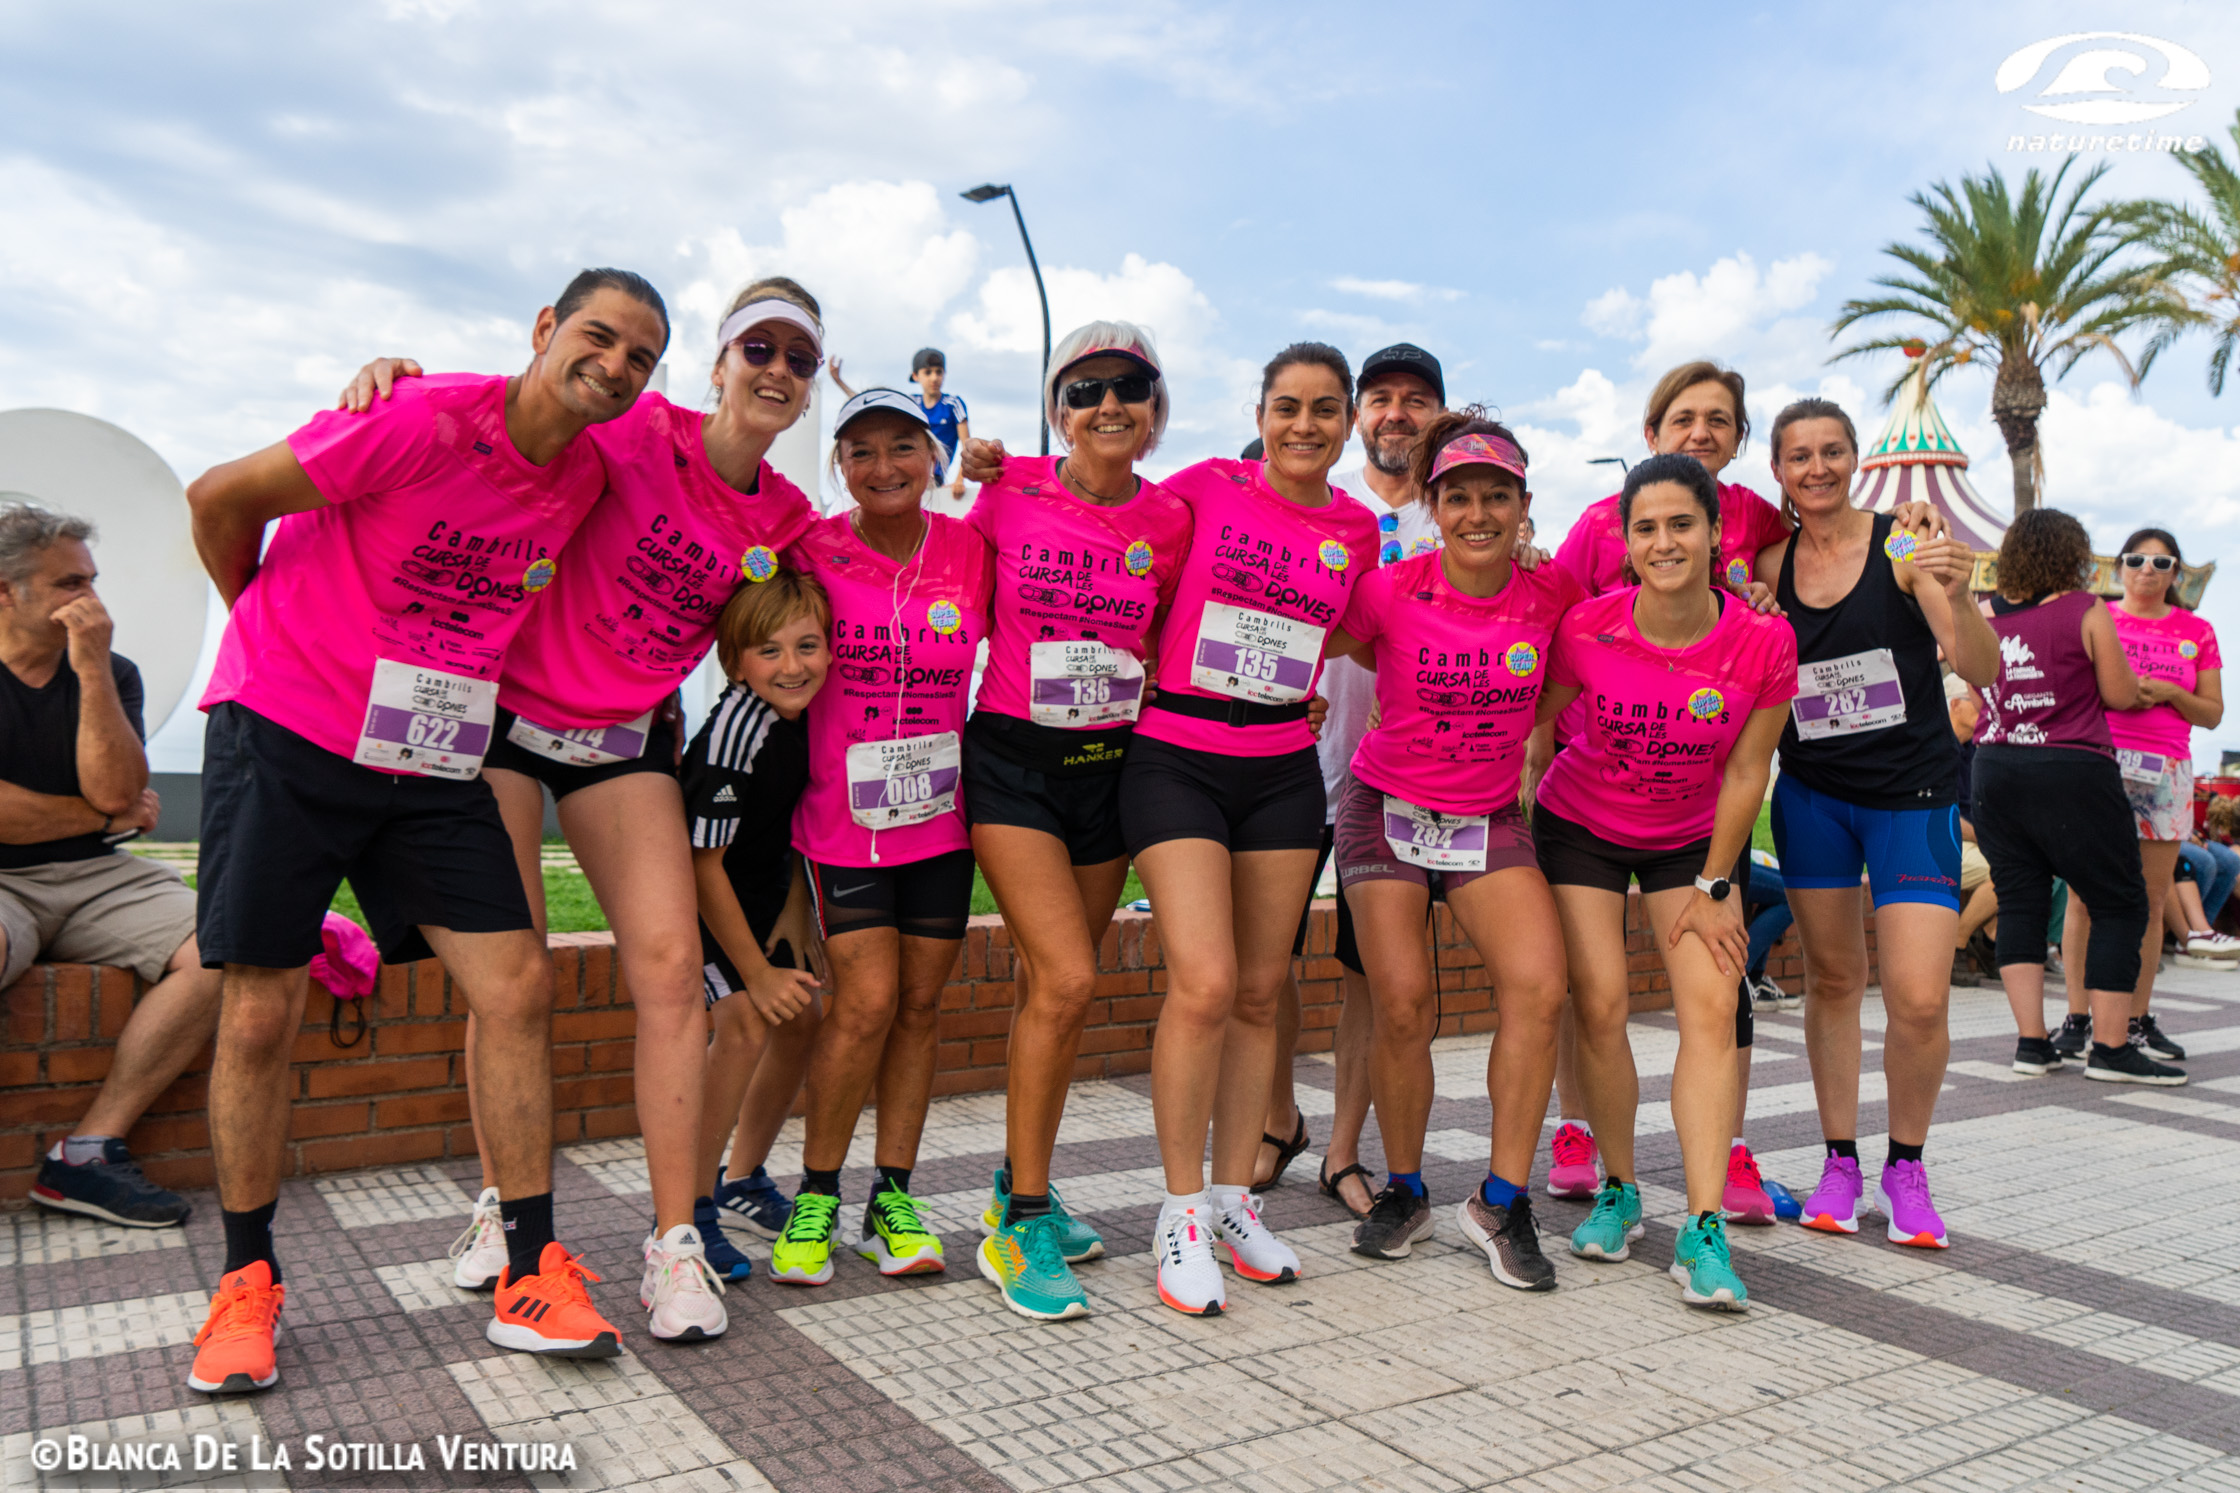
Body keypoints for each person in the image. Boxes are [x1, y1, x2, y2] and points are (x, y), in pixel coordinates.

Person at [182, 269, 669, 1394]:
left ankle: (530, 1266)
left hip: (430, 752)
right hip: (288, 727)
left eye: (641, 356)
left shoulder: (587, 475)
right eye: (598, 335)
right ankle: (246, 1281)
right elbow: (217, 495)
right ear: (545, 329)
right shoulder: (415, 414)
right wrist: (263, 616)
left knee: (516, 985)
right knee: (260, 1006)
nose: (616, 364)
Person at [336, 278, 827, 1343]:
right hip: (503, 719)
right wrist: (393, 383)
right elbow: (518, 419)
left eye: (797, 356)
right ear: (718, 362)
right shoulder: (639, 426)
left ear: (811, 380)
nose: (775, 370)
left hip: (622, 742)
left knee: (667, 976)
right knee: (511, 977)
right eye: (758, 348)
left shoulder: (785, 516)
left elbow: (872, 572)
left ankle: (674, 1242)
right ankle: (498, 1200)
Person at [1117, 343, 1379, 1316]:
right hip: (1174, 756)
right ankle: (1178, 1207)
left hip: (1278, 765)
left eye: (1322, 409)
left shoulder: (1354, 529)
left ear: (1347, 421)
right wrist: (1136, 655)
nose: (1302, 425)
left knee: (1263, 991)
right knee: (1207, 980)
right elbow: (1124, 560)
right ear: (1260, 412)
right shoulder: (1202, 488)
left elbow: (1362, 627)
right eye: (1285, 406)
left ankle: (1233, 1199)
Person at [949, 322, 1192, 1321]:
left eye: (1128, 388)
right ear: (1057, 410)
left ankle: (1018, 1181)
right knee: (1068, 975)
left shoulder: (1170, 518)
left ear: (1153, 409)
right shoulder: (1009, 492)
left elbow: (1180, 636)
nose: (1107, 405)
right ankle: (1022, 1219)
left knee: (1048, 989)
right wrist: (965, 474)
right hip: (1010, 763)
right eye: (1084, 389)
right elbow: (944, 597)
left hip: (1108, 769)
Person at [1533, 452, 1797, 1311]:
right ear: (1625, 540)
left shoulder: (1763, 637)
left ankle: (1705, 1226)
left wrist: (1717, 885)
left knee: (1713, 1008)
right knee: (1601, 1002)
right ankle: (1619, 1187)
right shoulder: (1589, 626)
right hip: (1582, 829)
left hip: (1695, 842)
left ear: (1718, 534)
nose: (1663, 540)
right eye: (1645, 527)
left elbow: (1748, 770)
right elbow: (1537, 725)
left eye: (1681, 522)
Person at [1325, 413, 1579, 1288]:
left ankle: (1502, 1200)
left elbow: (1573, 679)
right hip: (1383, 806)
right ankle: (1403, 1187)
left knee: (1541, 987)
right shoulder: (1392, 588)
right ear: (1433, 506)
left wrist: (1513, 744)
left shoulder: (1555, 597)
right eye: (1459, 496)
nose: (1478, 512)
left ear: (1523, 506)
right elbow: (1318, 636)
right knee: (1400, 999)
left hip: (1485, 817)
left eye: (1496, 496)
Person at [1754, 398, 2000, 1249]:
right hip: (1814, 797)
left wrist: (1959, 595)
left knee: (1921, 998)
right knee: (1831, 979)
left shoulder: (1902, 541)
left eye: (1832, 452)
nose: (1816, 468)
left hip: (1914, 799)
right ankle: (1838, 1161)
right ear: (1777, 471)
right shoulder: (1770, 561)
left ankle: (1906, 1165)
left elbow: (1976, 663)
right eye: (1799, 456)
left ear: (1856, 459)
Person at [767, 388, 993, 1287]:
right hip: (840, 819)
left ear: (935, 455)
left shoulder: (971, 549)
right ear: (839, 466)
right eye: (861, 451)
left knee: (921, 1006)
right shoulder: (811, 548)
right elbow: (754, 641)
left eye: (904, 446)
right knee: (863, 1002)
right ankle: (817, 1192)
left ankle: (890, 1194)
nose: (885, 466)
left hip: (942, 815)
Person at [2, 503, 222, 1230]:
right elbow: (110, 807)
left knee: (223, 945)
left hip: (97, 877)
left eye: (92, 581)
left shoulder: (110, 669)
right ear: (7, 591)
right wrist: (102, 817)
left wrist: (91, 668)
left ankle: (86, 1154)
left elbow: (120, 789)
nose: (91, 601)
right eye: (69, 582)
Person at [1266, 342, 1447, 1221]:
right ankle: (1274, 1117)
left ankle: (1344, 1148)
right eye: (1380, 398)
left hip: (1400, 783)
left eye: (1417, 400)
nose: (1397, 414)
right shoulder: (1315, 512)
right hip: (1287, 760)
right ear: (1353, 417)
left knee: (1372, 972)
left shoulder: (1464, 519)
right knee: (1264, 958)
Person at [1973, 510, 2177, 1083]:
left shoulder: (1984, 612)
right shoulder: (2086, 609)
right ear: (2073, 555)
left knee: (2020, 901)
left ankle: (2032, 1043)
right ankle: (2111, 1049)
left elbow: (1977, 685)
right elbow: (2115, 692)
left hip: (1996, 768)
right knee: (2119, 902)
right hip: (2072, 767)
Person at [682, 570, 831, 1279]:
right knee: (743, 1020)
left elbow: (788, 830)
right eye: (769, 651)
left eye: (807, 645)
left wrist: (796, 915)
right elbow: (702, 865)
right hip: (702, 903)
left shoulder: (806, 717)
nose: (793, 665)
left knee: (803, 1016)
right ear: (734, 661)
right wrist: (756, 970)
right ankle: (688, 1204)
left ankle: (743, 1177)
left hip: (763, 894)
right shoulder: (736, 730)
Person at [2053, 529, 2222, 1067]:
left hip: (2166, 771)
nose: (2147, 569)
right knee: (2083, 896)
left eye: (2161, 561)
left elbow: (2212, 712)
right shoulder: (2097, 617)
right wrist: (2124, 688)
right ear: (2119, 567)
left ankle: (2135, 1019)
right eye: (2136, 559)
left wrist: (2172, 693)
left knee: (2150, 903)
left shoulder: (2197, 630)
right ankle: (2078, 1018)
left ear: (2176, 572)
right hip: (2098, 764)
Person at [831, 349, 969, 496]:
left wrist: (960, 479)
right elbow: (868, 404)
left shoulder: (953, 405)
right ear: (915, 376)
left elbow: (966, 445)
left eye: (939, 372)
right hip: (906, 472)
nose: (934, 378)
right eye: (928, 372)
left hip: (932, 477)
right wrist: (839, 382)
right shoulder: (911, 403)